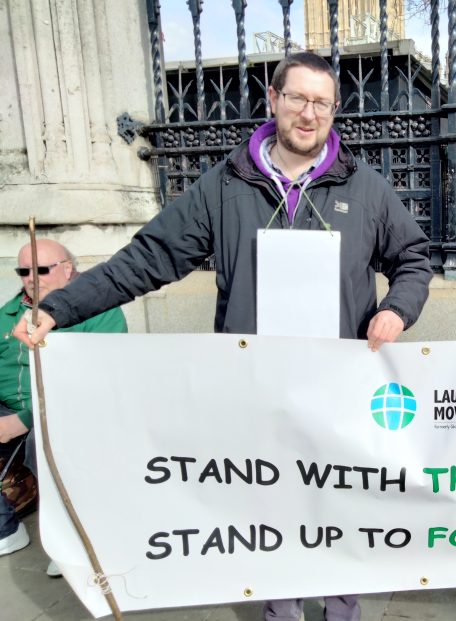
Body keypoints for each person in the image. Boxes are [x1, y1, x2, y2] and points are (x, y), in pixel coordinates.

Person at [15, 52, 432, 621]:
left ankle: (341, 610)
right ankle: (279, 611)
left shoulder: (365, 188)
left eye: (322, 103)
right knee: (268, 511)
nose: (308, 114)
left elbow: (412, 259)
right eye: (297, 99)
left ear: (335, 111)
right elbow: (148, 259)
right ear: (273, 100)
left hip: (337, 390)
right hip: (253, 391)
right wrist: (58, 308)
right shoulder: (225, 185)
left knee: (337, 506)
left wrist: (397, 311)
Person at [0, 240, 127, 576]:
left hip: (70, 412)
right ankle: (6, 529)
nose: (31, 278)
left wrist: (26, 420)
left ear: (68, 269)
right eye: (24, 271)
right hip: (7, 407)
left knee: (42, 442)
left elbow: (98, 382)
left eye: (41, 269)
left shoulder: (101, 310)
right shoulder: (8, 313)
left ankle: (69, 540)